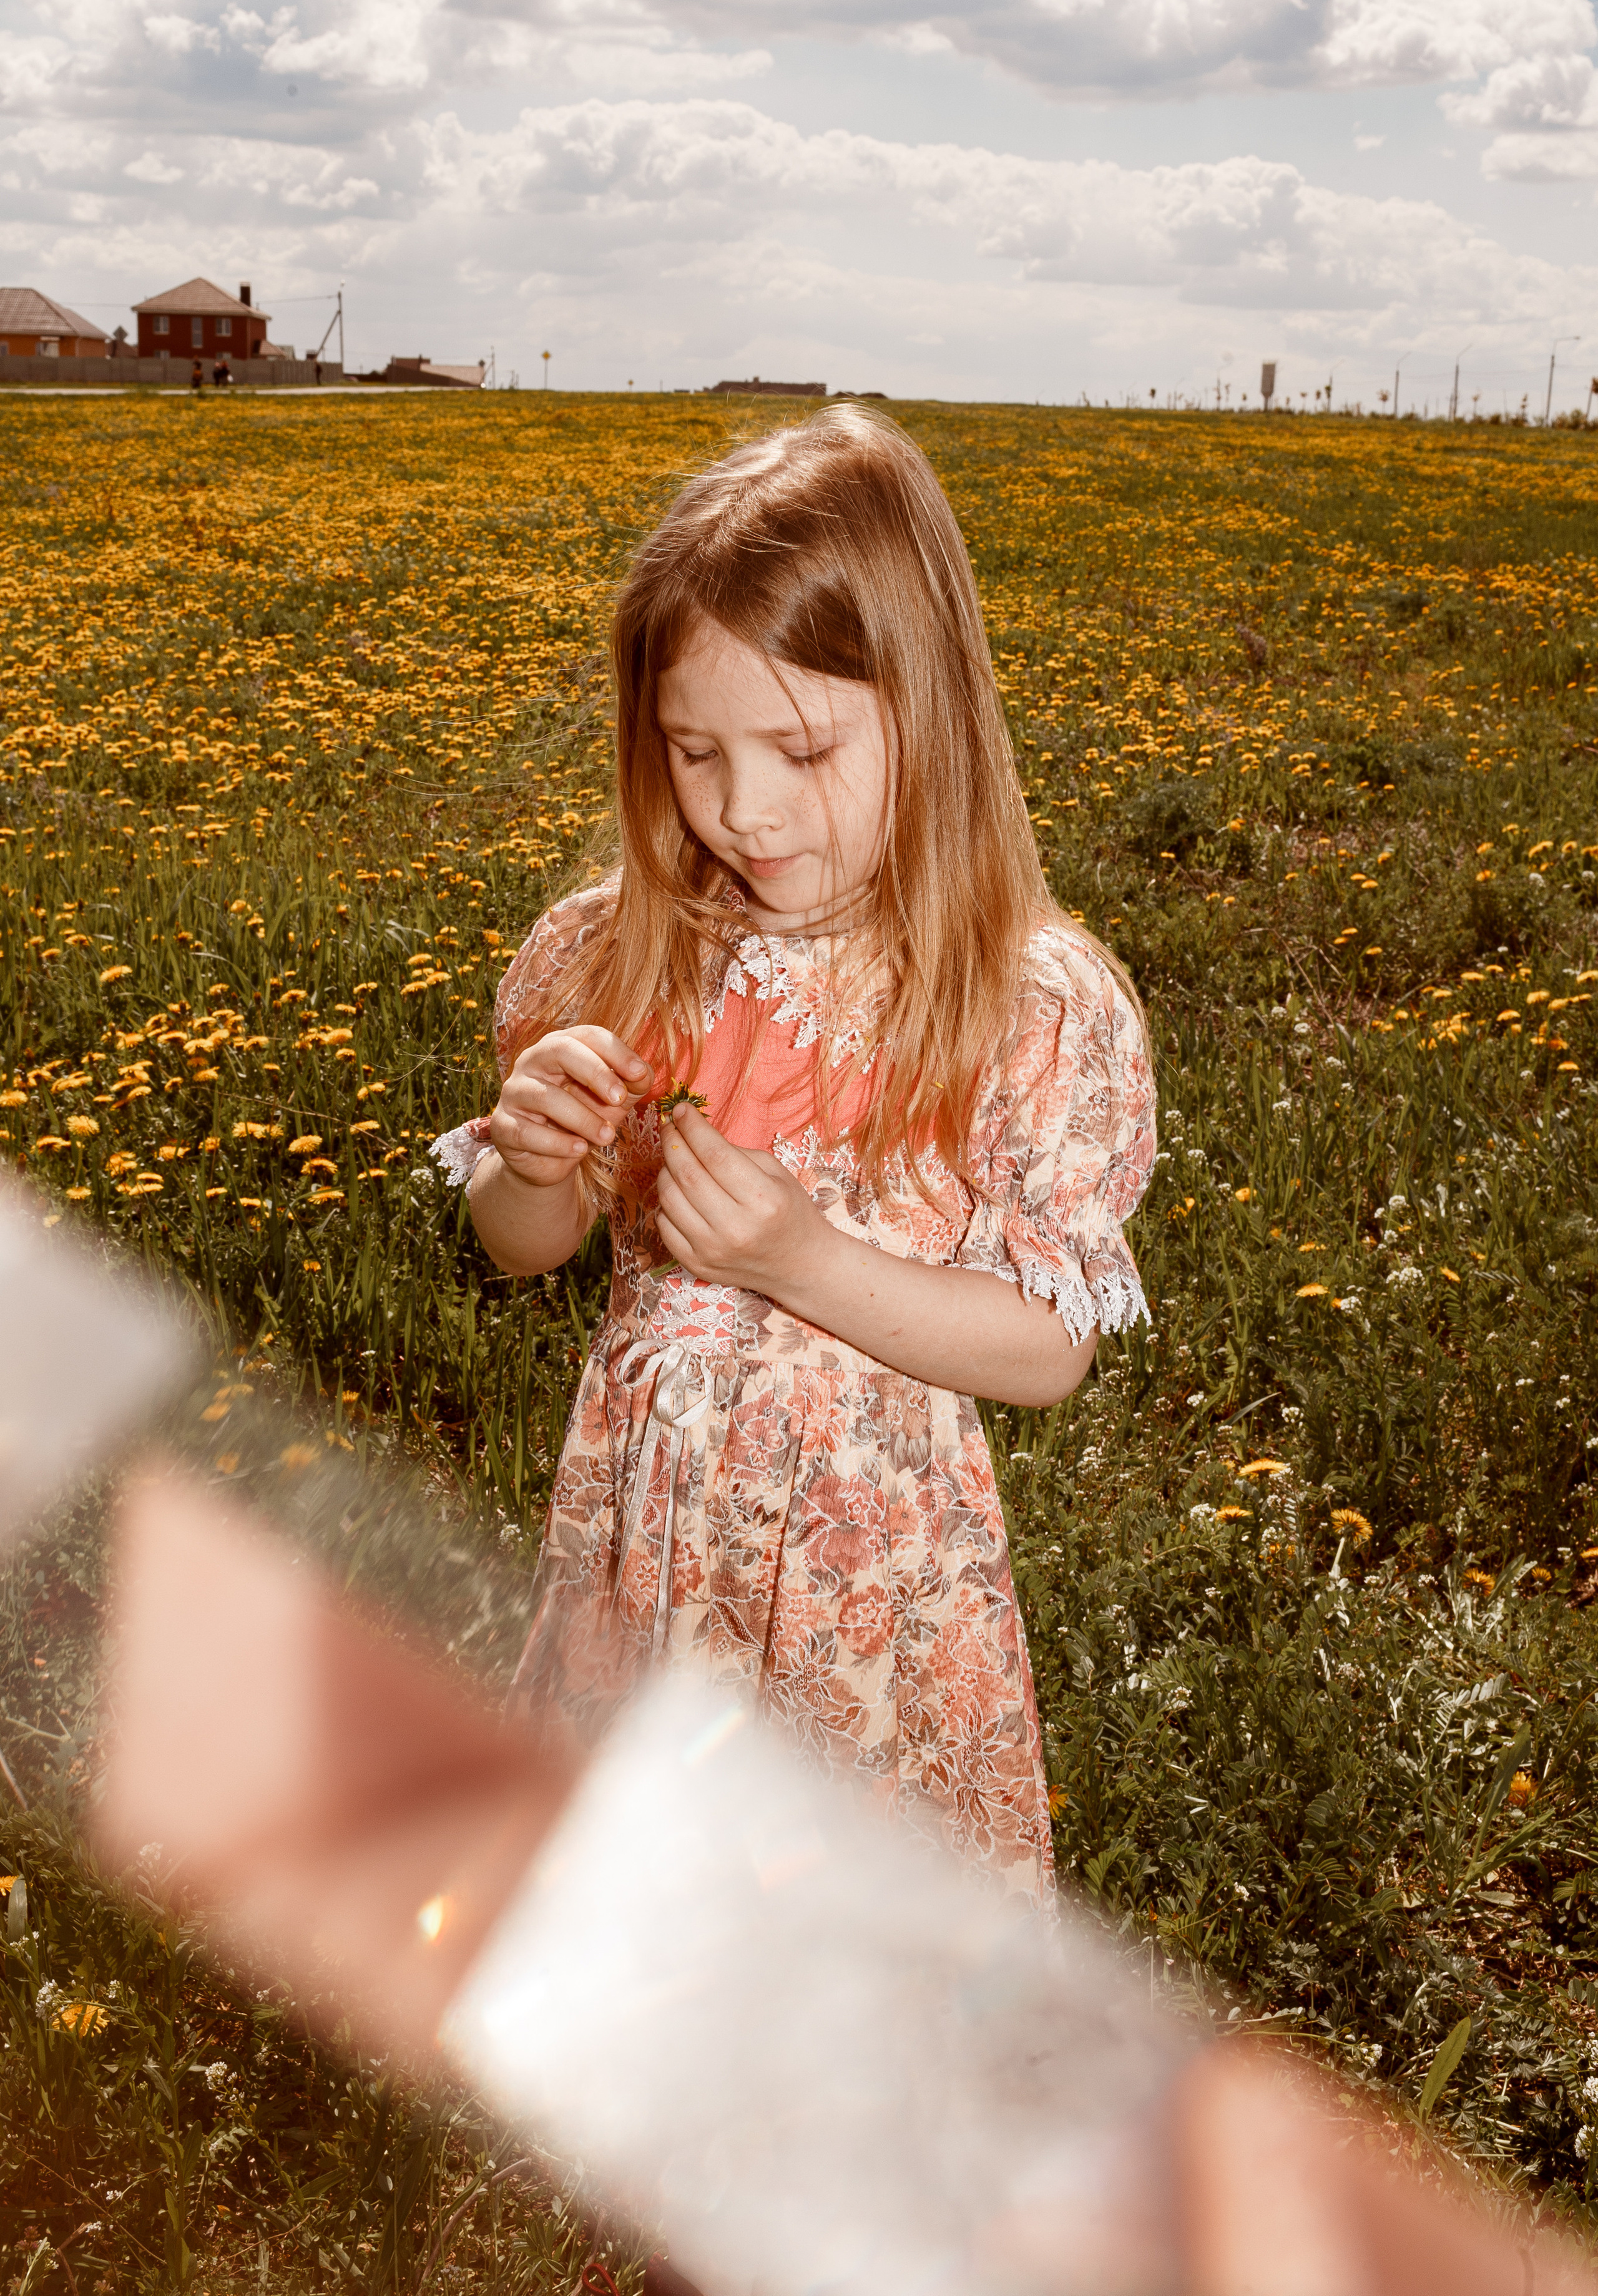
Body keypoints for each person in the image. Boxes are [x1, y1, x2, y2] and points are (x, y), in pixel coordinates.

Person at [433, 407, 1155, 1908]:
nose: (741, 807)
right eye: (693, 750)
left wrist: (801, 1260)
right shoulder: (610, 955)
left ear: (927, 714)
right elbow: (527, 1248)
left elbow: (1046, 1353)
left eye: (802, 748)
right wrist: (535, 1158)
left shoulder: (1015, 999)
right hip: (642, 1540)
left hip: (864, 1584)